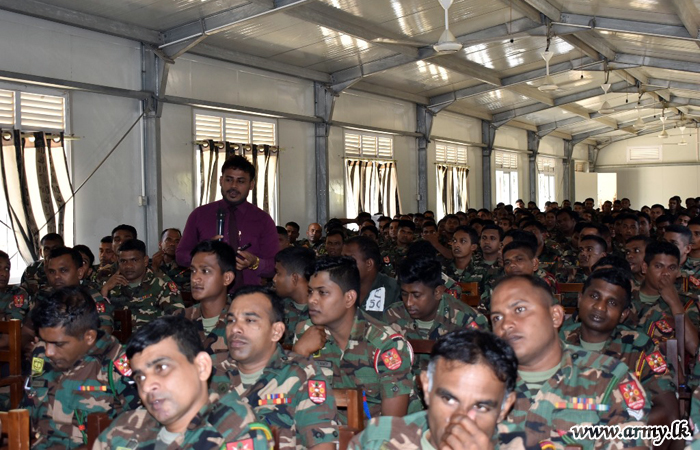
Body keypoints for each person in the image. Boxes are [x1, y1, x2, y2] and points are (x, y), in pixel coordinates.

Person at [490, 275, 650, 449]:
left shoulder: (610, 377)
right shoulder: (480, 381)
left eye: (519, 309)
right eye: (497, 318)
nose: (505, 324)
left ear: (555, 316)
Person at [94, 315, 271, 449]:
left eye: (161, 368)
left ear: (201, 367)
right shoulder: (127, 426)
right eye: (140, 377)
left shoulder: (234, 429)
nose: (147, 386)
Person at [210, 286, 339, 450]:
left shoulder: (302, 374)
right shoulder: (208, 372)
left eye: (249, 320)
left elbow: (322, 446)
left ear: (276, 332)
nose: (235, 328)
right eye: (231, 320)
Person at [560, 269, 680, 443]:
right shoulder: (556, 342)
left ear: (623, 314)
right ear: (580, 299)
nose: (600, 307)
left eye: (612, 303)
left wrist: (605, 433)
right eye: (594, 296)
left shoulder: (640, 346)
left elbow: (668, 410)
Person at [348, 329, 517, 450]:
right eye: (449, 399)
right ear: (427, 387)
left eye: (481, 407)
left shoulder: (521, 445)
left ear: (505, 406)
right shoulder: (379, 440)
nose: (460, 420)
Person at [293, 256, 414, 422]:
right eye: (310, 292)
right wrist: (298, 353)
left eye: (322, 292)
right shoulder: (305, 333)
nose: (312, 300)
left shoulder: (386, 344)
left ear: (349, 298)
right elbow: (289, 404)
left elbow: (391, 425)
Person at [23, 286, 139, 450]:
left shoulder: (117, 364)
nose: (48, 351)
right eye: (44, 340)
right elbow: (27, 408)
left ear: (89, 337)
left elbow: (146, 426)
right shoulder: (41, 354)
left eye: (58, 344)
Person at [177, 155, 278, 289]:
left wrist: (255, 263)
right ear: (220, 180)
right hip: (209, 295)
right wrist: (205, 252)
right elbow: (180, 256)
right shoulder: (200, 215)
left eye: (241, 181)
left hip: (250, 297)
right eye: (229, 180)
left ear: (251, 185)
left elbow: (274, 266)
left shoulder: (263, 220)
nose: (233, 186)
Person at [384, 257, 487, 371]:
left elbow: (479, 370)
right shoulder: (392, 316)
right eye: (404, 294)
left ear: (438, 292)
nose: (409, 302)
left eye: (416, 295)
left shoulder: (467, 321)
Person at [626, 241, 700, 357]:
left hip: (667, 372)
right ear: (645, 268)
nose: (665, 273)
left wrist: (674, 302)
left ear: (678, 271)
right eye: (658, 266)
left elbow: (694, 348)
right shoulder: (625, 298)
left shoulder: (687, 303)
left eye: (672, 268)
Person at [102, 239, 185, 329]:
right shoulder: (112, 284)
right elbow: (97, 321)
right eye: (123, 261)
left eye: (134, 260)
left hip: (153, 340)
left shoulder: (162, 283)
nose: (128, 266)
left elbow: (178, 320)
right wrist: (104, 290)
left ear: (145, 260)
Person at [175, 240, 236, 356]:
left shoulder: (242, 322)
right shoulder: (180, 320)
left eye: (205, 271)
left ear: (227, 278)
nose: (195, 279)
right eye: (193, 271)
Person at [342, 236, 401, 320]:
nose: (343, 264)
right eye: (342, 259)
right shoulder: (339, 287)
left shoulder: (392, 290)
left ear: (369, 264)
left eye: (349, 259)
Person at [272, 246, 315, 346]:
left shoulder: (319, 311)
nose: (274, 279)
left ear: (294, 278)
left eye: (278, 273)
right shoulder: (277, 306)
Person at [152, 228, 191, 293]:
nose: (172, 244)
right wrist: (155, 268)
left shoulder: (186, 266)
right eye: (168, 240)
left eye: (177, 241)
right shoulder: (148, 265)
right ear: (160, 244)